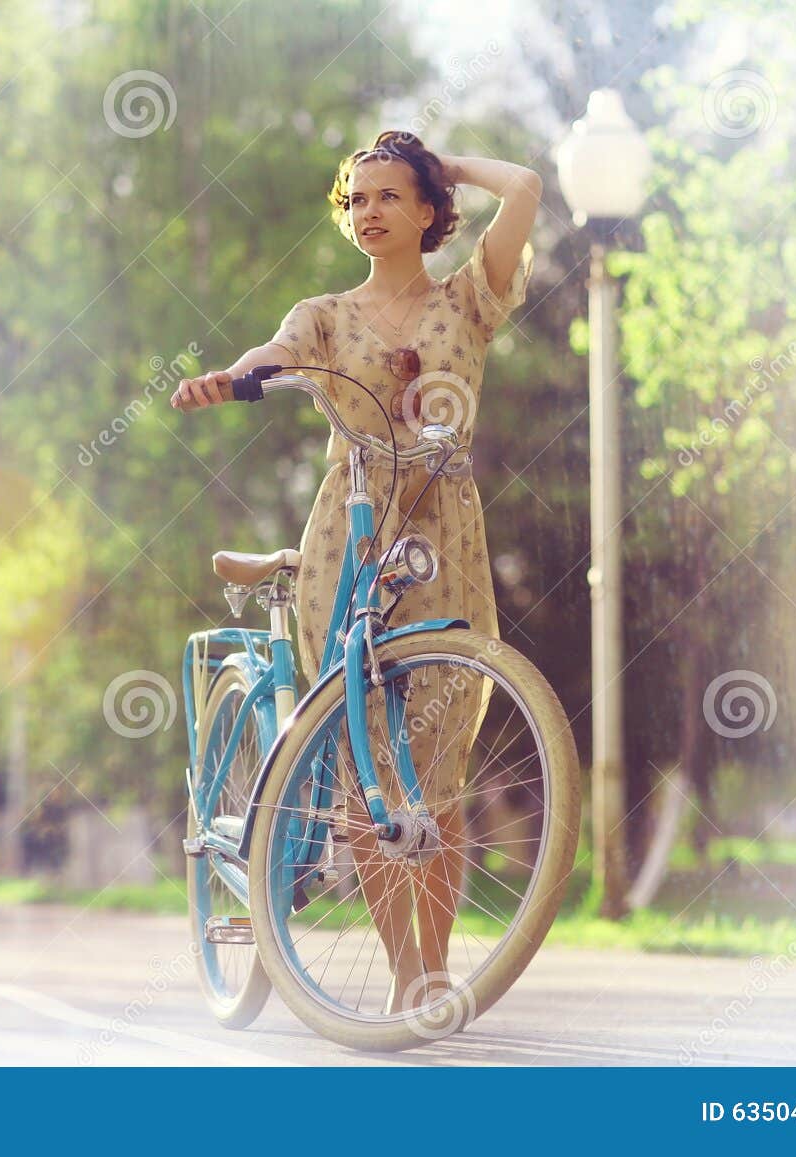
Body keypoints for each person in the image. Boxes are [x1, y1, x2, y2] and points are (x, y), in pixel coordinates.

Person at [171, 130, 539, 1013]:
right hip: (352, 524)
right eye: (357, 199)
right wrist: (233, 377)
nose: (368, 212)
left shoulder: (471, 298)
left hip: (442, 528)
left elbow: (524, 186)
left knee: (437, 768)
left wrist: (444, 164)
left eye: (388, 196)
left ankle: (433, 967)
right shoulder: (326, 314)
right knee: (364, 759)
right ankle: (404, 967)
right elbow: (273, 356)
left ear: (426, 212)